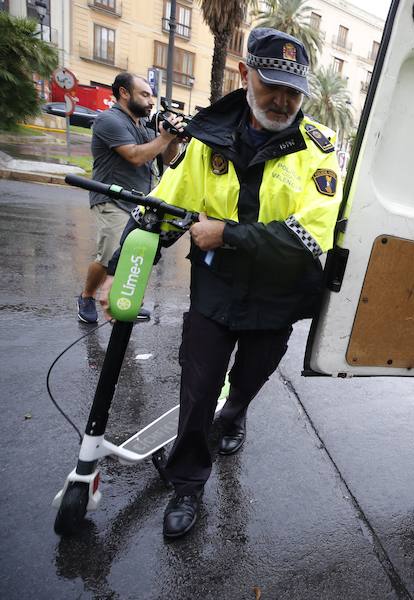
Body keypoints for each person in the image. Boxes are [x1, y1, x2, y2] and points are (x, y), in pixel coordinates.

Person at [99, 28, 342, 538]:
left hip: (279, 299)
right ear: (244, 73)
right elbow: (159, 212)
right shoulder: (205, 138)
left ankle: (234, 414)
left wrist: (226, 234)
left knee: (247, 381)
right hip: (217, 292)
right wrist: (123, 275)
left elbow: (308, 238)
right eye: (272, 84)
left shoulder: (319, 150)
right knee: (199, 386)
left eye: (293, 92)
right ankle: (188, 483)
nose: (282, 100)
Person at [76, 72, 184, 323]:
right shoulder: (108, 120)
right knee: (112, 253)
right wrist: (164, 137)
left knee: (137, 252)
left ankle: (125, 301)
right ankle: (87, 295)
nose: (150, 101)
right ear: (124, 93)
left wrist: (173, 140)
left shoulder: (142, 126)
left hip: (138, 201)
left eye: (151, 96)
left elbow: (166, 159)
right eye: (144, 94)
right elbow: (135, 155)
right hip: (111, 198)